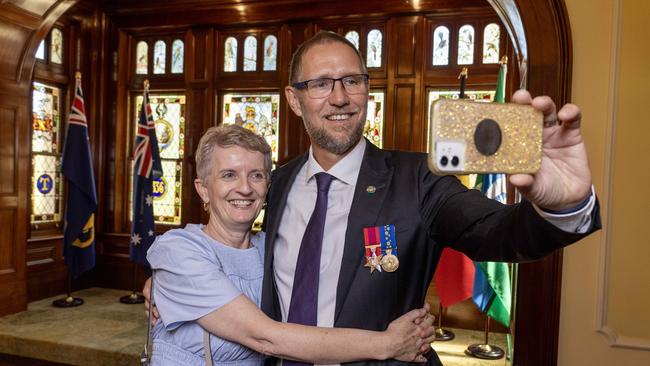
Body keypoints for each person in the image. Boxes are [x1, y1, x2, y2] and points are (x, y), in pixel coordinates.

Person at [259, 31, 601, 366]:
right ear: (293, 99)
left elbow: (498, 231)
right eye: (320, 84)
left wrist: (563, 206)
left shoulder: (419, 179)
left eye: (352, 80)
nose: (339, 97)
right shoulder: (276, 183)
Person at [145, 124, 435, 365]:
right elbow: (265, 337)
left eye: (256, 175)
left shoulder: (273, 248)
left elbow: (334, 290)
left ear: (268, 187)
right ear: (203, 189)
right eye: (228, 175)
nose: (245, 188)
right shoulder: (178, 250)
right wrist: (388, 344)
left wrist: (404, 300)